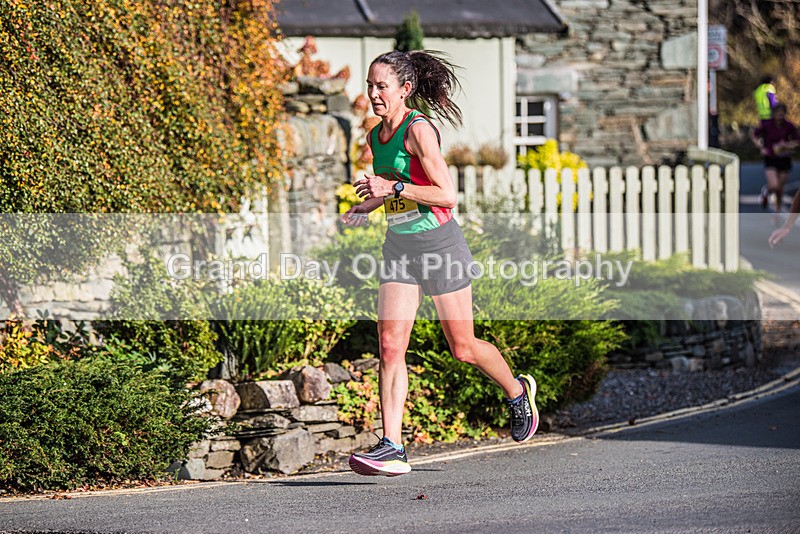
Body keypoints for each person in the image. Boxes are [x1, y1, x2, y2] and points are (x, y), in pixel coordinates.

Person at [339, 50, 538, 477]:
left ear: (405, 89)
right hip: (400, 248)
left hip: (440, 245)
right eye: (370, 85)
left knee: (462, 348)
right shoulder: (377, 136)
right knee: (391, 344)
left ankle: (517, 390)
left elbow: (446, 195)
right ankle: (392, 445)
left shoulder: (419, 131)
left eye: (382, 86)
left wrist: (391, 185)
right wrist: (369, 205)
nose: (373, 94)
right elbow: (396, 192)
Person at [750, 104, 799, 223]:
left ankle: (777, 213)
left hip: (784, 158)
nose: (780, 115)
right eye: (778, 112)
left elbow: (797, 141)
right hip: (770, 157)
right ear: (774, 113)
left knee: (780, 189)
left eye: (782, 113)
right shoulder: (767, 125)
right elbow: (754, 134)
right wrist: (761, 147)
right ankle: (766, 191)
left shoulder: (789, 126)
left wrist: (786, 145)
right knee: (774, 185)